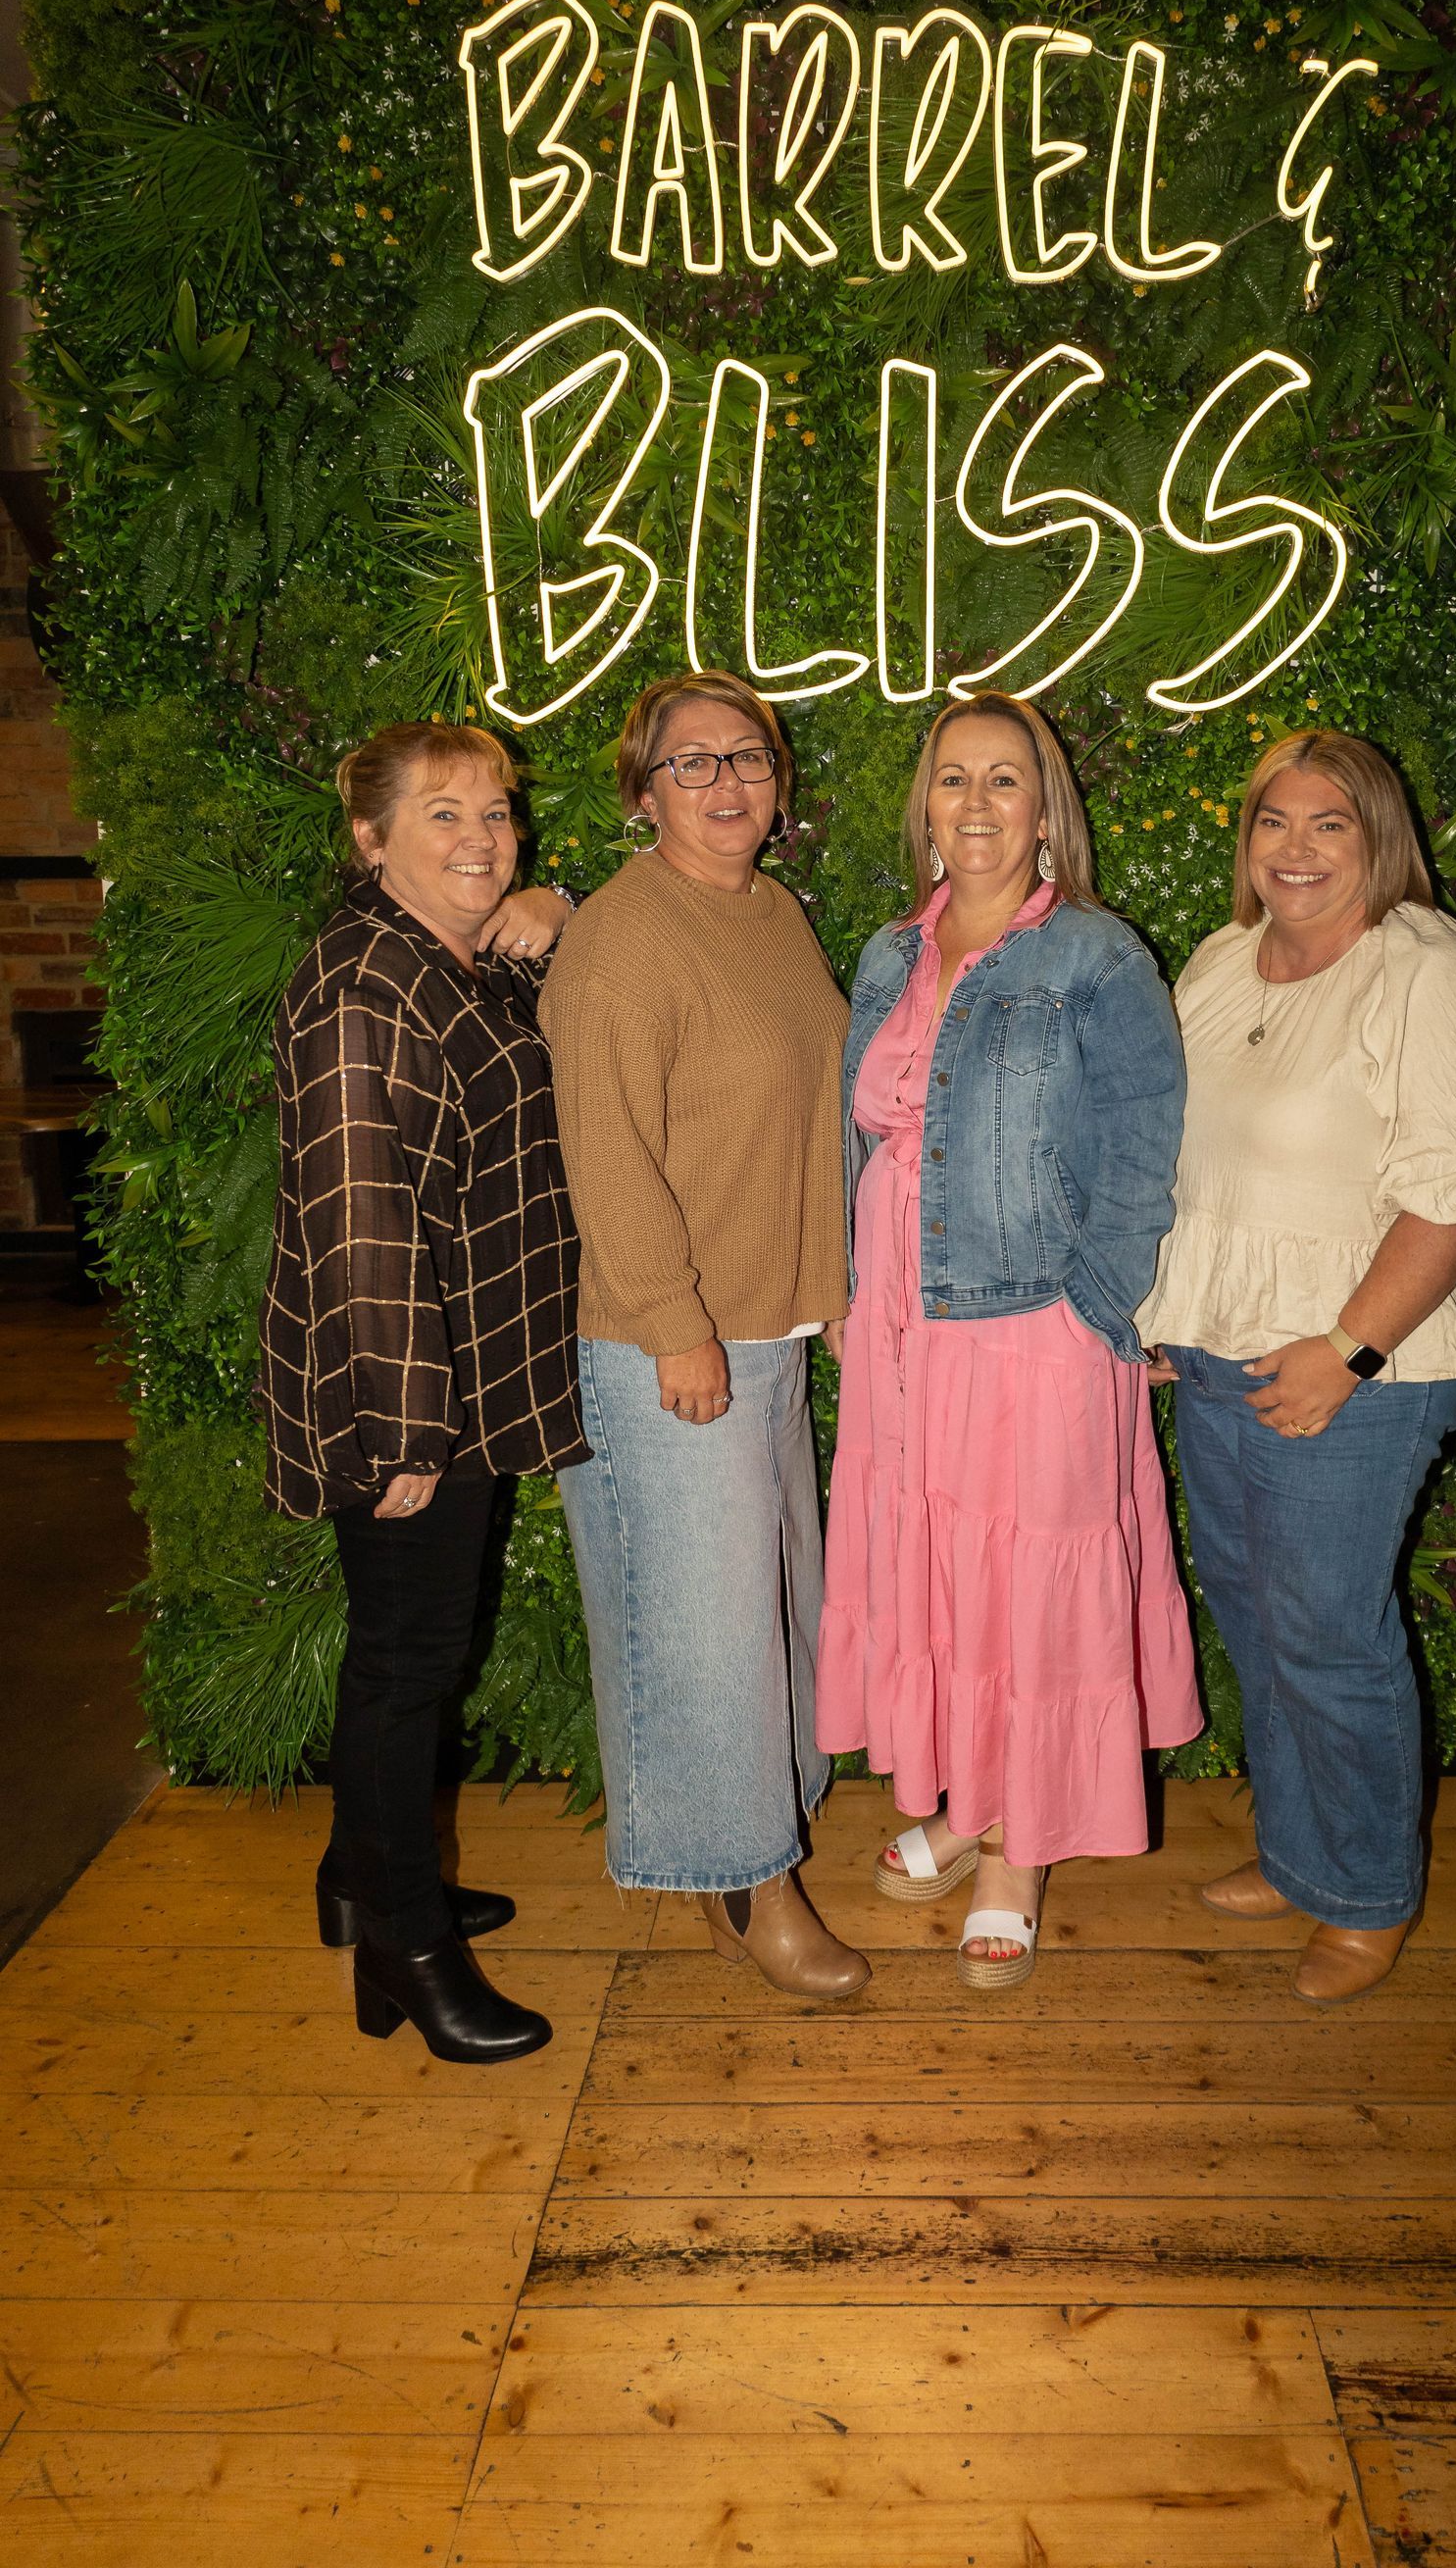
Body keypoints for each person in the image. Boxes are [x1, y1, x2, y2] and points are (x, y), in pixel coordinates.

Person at [1139, 729, 1456, 2004]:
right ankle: (1300, 1853)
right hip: (1222, 1346)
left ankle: (1367, 1893)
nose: (1299, 848)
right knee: (1258, 1613)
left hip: (1367, 1357)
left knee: (1327, 1625)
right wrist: (1168, 1303)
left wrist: (1351, 1350)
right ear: (1246, 836)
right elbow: (1180, 1150)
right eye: (1276, 820)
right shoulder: (1219, 963)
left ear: (1382, 836)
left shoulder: (1431, 971)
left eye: (1332, 823)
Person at [817, 691, 1201, 1990]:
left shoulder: (1094, 956)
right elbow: (862, 1134)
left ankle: (1017, 1852)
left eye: (1004, 782)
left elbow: (1152, 1143)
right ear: (925, 808)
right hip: (905, 1324)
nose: (974, 806)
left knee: (1028, 1588)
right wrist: (850, 1292)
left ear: (1047, 813)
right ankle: (964, 1796)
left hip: (1032, 1323)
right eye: (952, 781)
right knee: (935, 1567)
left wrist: (1099, 1297)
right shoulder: (886, 954)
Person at [539, 670, 869, 2002]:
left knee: (780, 1603)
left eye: (748, 758)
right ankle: (746, 1885)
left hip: (769, 1326)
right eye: (693, 764)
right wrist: (674, 1327)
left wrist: (832, 1286)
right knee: (707, 1628)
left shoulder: (772, 913)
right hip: (667, 1345)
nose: (728, 782)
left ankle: (753, 1838)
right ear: (641, 792)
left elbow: (805, 1121)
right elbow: (604, 1151)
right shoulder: (622, 939)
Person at [261, 720, 586, 2063]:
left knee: (417, 1654)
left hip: (460, 1366)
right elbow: (363, 1222)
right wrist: (407, 1432)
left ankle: (363, 1875)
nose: (480, 836)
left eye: (497, 812)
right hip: (403, 1392)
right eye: (442, 814)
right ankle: (405, 1942)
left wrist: (550, 913)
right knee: (408, 1663)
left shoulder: (443, 957)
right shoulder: (359, 993)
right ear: (369, 838)